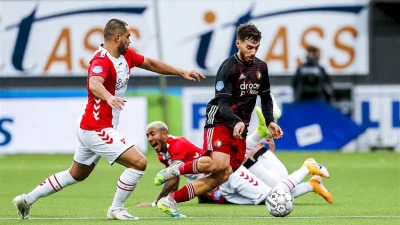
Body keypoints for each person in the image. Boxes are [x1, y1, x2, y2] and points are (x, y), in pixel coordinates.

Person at [12, 18, 204, 220]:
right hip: (96, 126)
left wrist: (180, 71)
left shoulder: (125, 55)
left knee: (76, 174)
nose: (130, 40)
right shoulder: (101, 60)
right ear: (117, 37)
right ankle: (116, 208)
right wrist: (109, 96)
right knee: (138, 162)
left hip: (93, 125)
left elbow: (149, 63)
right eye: (128, 36)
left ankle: (26, 199)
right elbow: (95, 83)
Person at [153, 23, 284, 217]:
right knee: (219, 163)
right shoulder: (228, 67)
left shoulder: (261, 68)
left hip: (241, 126)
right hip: (220, 119)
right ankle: (176, 169)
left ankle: (171, 201)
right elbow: (222, 102)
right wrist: (236, 121)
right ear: (238, 43)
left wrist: (270, 120)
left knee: (223, 175)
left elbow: (265, 97)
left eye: (256, 48)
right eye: (249, 47)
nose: (252, 52)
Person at [138, 106, 332, 208]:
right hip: (218, 184)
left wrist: (157, 202)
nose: (149, 139)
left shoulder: (176, 145)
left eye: (152, 134)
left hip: (228, 176)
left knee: (271, 196)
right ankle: (310, 185)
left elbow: (172, 181)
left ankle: (306, 167)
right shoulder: (163, 153)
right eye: (147, 135)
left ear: (164, 134)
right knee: (268, 197)